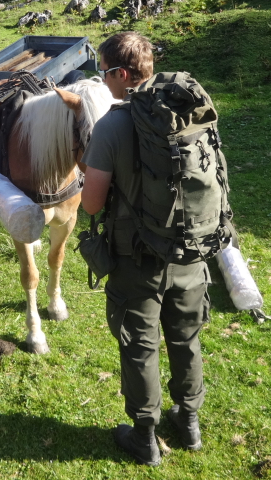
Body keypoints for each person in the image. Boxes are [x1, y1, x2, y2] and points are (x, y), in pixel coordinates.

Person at [80, 32, 211, 466]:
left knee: (139, 344)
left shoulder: (112, 126)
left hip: (137, 257)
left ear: (120, 74)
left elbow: (93, 203)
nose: (103, 81)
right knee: (186, 336)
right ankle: (189, 422)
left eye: (103, 73)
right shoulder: (189, 111)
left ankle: (144, 435)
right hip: (191, 249)